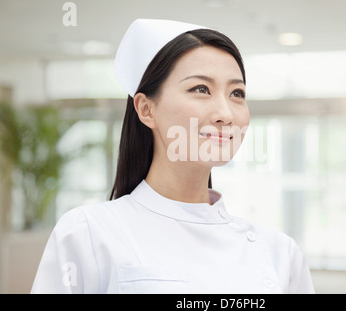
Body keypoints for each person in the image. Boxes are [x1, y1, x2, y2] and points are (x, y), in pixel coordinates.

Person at [31, 19, 314, 294]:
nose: (226, 114)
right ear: (146, 109)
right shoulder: (89, 233)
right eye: (200, 89)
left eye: (237, 93)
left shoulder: (279, 253)